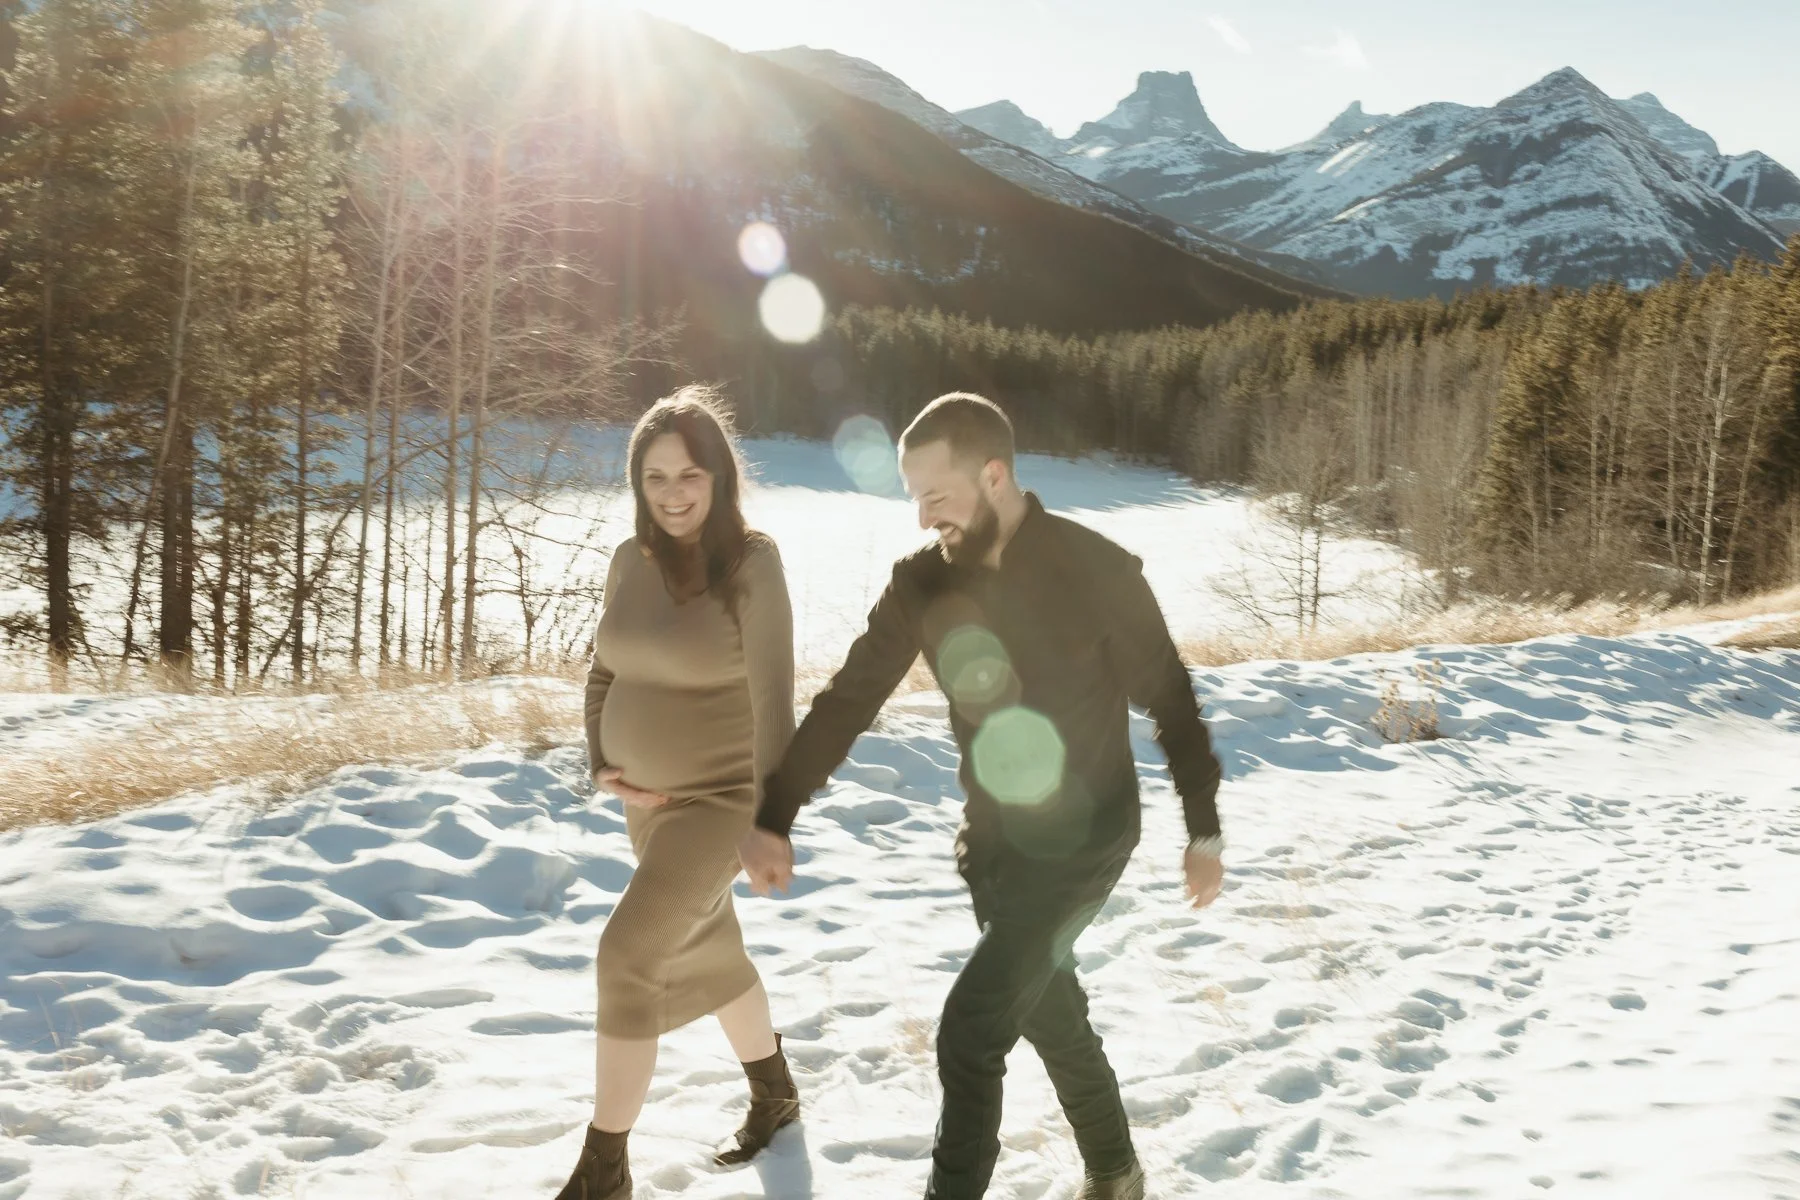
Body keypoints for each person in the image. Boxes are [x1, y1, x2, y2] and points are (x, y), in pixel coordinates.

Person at [738, 392, 1226, 1200]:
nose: (925, 518)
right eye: (914, 499)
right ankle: (1117, 1174)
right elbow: (850, 698)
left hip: (1088, 840)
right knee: (1045, 1012)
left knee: (971, 1033)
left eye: (937, 496)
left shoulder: (1097, 571)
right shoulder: (922, 586)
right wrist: (775, 814)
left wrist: (1202, 831)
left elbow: (1171, 702)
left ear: (993, 476)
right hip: (994, 848)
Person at [558, 387, 801, 1200]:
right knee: (706, 948)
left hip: (721, 799)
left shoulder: (751, 564)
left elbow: (773, 701)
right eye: (655, 477)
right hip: (645, 805)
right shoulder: (632, 561)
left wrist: (770, 820)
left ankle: (604, 1173)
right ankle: (775, 1090)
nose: (671, 493)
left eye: (689, 474)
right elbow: (604, 671)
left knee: (627, 957)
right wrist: (600, 758)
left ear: (719, 478)